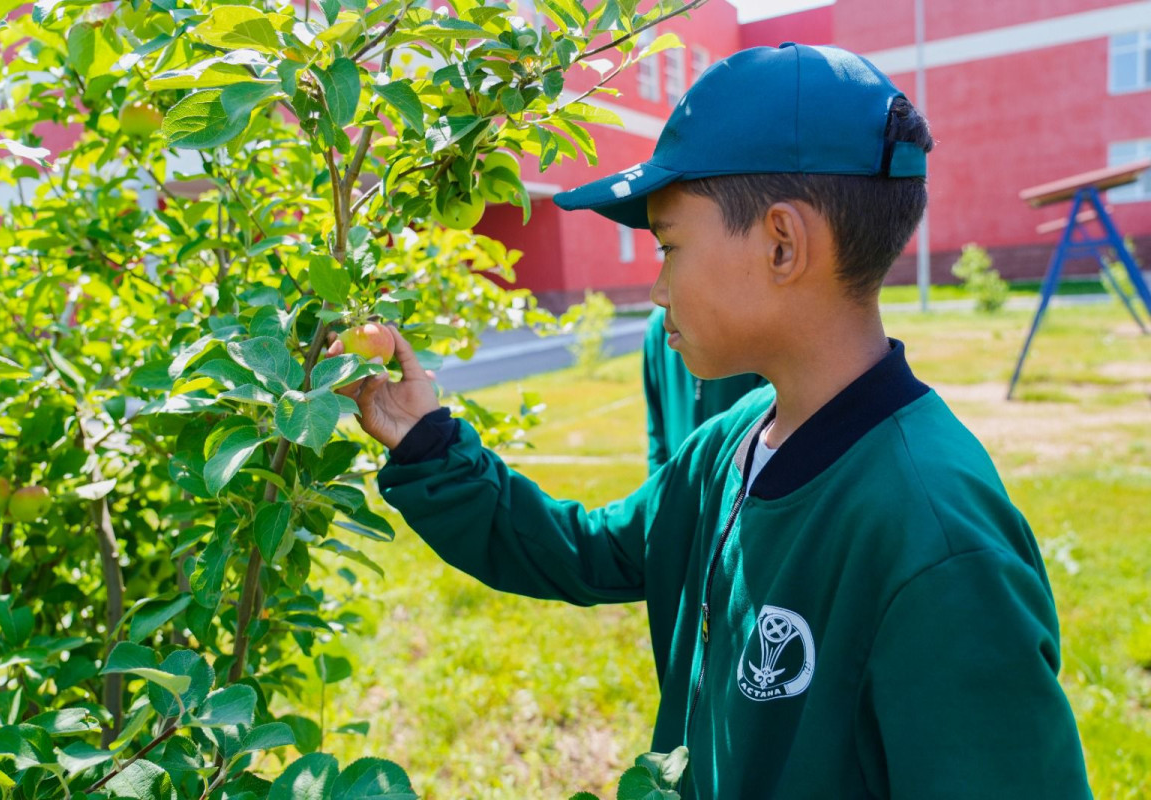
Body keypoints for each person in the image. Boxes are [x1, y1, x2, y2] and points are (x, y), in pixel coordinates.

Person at [329, 44, 1092, 799]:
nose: (658, 288)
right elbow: (584, 552)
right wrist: (429, 445)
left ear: (783, 245)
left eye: (669, 247)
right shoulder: (735, 442)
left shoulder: (937, 543)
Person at [643, 304, 769, 474]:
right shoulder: (658, 328)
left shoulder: (760, 329)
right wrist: (662, 496)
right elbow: (658, 440)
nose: (657, 294)